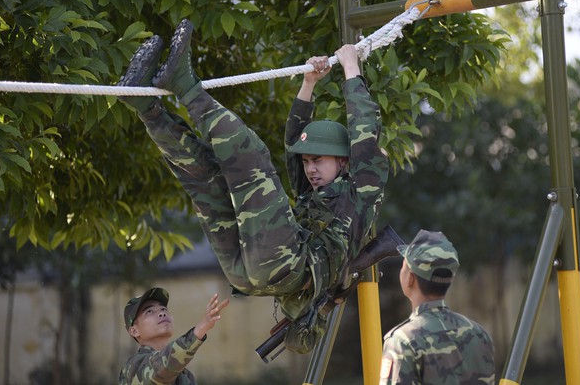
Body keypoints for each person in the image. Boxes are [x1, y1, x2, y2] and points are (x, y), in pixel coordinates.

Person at [118, 19, 397, 352]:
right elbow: (295, 141)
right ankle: (147, 108)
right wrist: (308, 84)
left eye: (318, 161)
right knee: (206, 178)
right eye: (307, 162)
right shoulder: (313, 193)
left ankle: (186, 86)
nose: (309, 169)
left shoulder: (361, 193)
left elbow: (365, 130)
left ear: (344, 162)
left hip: (284, 267)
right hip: (247, 273)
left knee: (250, 158)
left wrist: (351, 67)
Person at [379, 230, 495, 384]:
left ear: (410, 279)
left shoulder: (403, 341)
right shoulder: (479, 334)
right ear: (450, 279)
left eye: (404, 267)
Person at [119, 287, 230, 385]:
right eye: (149, 311)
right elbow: (161, 367)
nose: (162, 313)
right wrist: (200, 329)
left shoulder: (185, 375)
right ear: (134, 331)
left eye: (163, 309)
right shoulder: (133, 367)